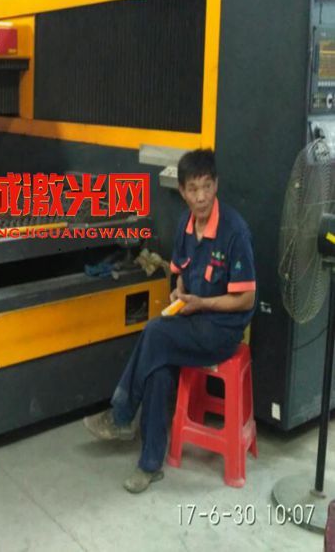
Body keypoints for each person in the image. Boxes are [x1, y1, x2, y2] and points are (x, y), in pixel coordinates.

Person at [83, 148, 257, 493]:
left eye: (207, 186)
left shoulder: (235, 231)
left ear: (216, 184)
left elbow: (247, 298)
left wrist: (201, 303)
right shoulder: (184, 226)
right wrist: (180, 292)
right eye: (193, 189)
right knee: (158, 366)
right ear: (182, 191)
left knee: (154, 334)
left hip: (222, 331)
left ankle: (121, 415)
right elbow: (179, 273)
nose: (201, 196)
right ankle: (149, 465)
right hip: (190, 321)